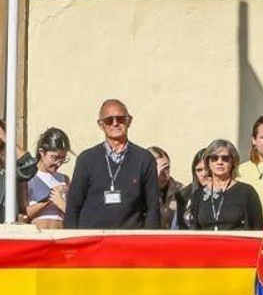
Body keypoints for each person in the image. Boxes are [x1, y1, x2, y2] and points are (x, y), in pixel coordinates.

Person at [63, 98, 160, 229]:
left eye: (120, 119)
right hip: (93, 241)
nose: (115, 124)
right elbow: (73, 206)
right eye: (109, 120)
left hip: (129, 240)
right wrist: (72, 244)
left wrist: (149, 243)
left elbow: (152, 207)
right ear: (101, 124)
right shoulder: (86, 159)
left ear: (129, 121)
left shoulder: (145, 159)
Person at [190, 138, 263, 231]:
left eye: (225, 158)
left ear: (233, 162)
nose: (219, 162)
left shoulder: (247, 192)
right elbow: (195, 231)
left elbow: (256, 230)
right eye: (214, 158)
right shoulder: (198, 195)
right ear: (208, 162)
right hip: (207, 245)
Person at [24, 128, 71, 229]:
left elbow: (72, 213)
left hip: (60, 233)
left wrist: (62, 204)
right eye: (54, 157)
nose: (58, 163)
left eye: (63, 159)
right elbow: (24, 214)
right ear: (42, 152)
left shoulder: (64, 179)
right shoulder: (29, 177)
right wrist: (49, 198)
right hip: (38, 234)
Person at [176, 149, 210, 231]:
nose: (204, 174)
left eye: (207, 169)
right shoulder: (184, 195)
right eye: (199, 170)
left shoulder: (227, 192)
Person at [150, 146, 180, 229]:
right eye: (161, 169)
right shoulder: (139, 192)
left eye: (167, 168)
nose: (165, 174)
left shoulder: (180, 191)